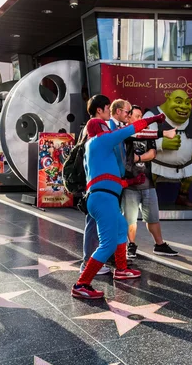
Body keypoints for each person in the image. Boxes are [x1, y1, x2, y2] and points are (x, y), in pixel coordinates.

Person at [71, 112, 166, 299]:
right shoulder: (102, 140)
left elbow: (107, 180)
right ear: (101, 129)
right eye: (106, 126)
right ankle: (82, 284)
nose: (110, 128)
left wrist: (131, 182)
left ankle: (121, 269)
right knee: (107, 244)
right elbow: (132, 129)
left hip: (104, 197)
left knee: (122, 228)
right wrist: (155, 119)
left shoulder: (94, 148)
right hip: (104, 199)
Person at [123, 106, 178, 258]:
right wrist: (165, 133)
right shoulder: (125, 132)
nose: (141, 119)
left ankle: (159, 245)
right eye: (137, 116)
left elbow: (152, 153)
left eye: (142, 116)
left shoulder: (148, 134)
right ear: (128, 117)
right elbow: (133, 137)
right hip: (130, 182)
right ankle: (131, 245)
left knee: (153, 217)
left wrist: (138, 158)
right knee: (130, 218)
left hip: (147, 181)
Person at [78, 95, 112, 276]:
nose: (110, 110)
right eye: (108, 107)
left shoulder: (98, 125)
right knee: (93, 222)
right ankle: (87, 262)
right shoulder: (95, 125)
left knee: (97, 221)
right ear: (99, 109)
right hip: (95, 182)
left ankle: (93, 260)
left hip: (97, 181)